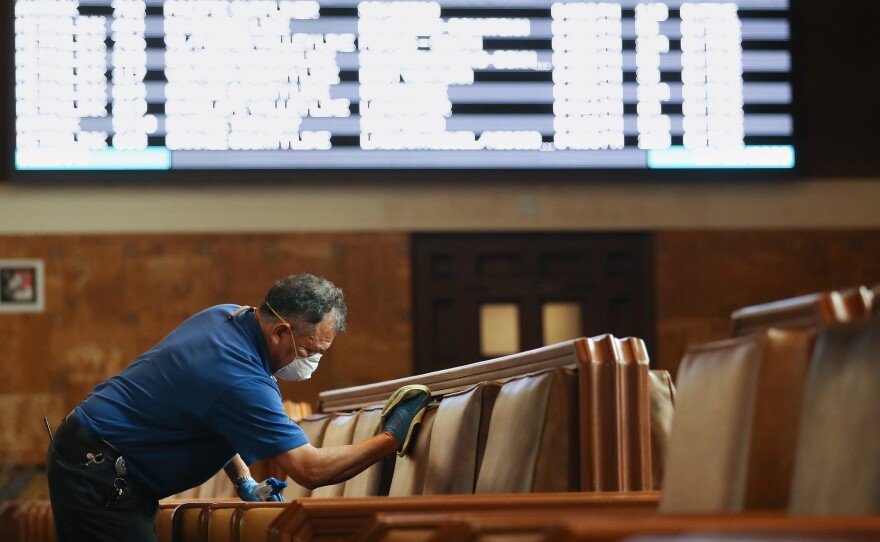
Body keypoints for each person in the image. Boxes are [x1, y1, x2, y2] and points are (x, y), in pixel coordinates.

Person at [46, 273, 430, 542]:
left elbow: (212, 416)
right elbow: (310, 471)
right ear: (280, 332)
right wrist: (391, 436)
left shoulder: (228, 316)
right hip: (99, 475)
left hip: (95, 457)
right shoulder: (240, 377)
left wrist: (244, 480)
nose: (313, 361)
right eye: (311, 350)